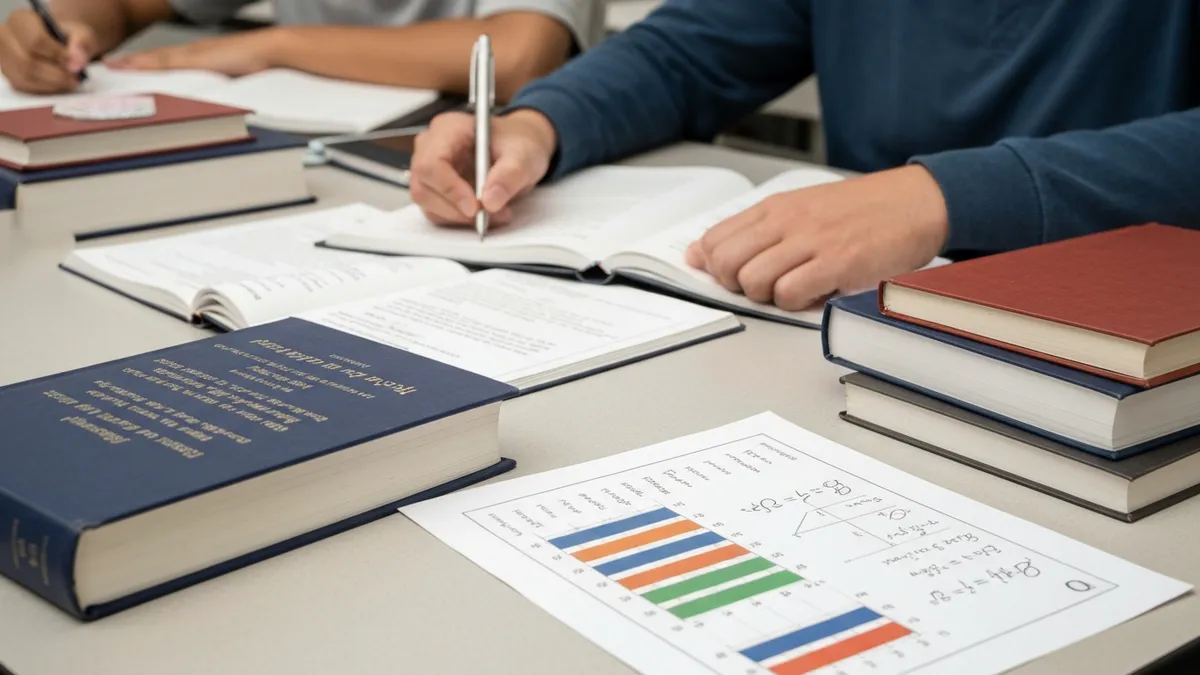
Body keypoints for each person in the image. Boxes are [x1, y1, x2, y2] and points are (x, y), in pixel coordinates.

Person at [409, 0, 1200, 311]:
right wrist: (540, 124)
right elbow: (691, 50)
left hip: (1116, 337)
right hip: (838, 323)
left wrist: (942, 197)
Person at [0, 0, 602, 101]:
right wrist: (58, 23)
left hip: (486, 155)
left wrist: (280, 44)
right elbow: (126, 8)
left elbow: (521, 56)